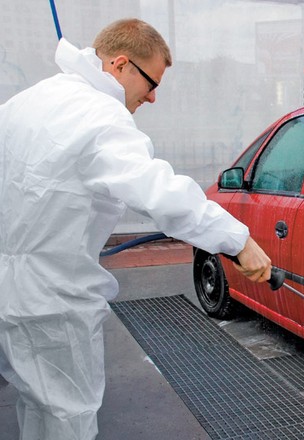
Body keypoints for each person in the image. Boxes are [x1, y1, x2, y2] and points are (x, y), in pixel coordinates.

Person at [0, 18, 271, 440]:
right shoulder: (100, 116)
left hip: (11, 291)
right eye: (151, 82)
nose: (154, 96)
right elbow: (158, 192)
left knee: (34, 401)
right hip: (52, 297)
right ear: (120, 64)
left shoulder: (28, 101)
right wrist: (237, 240)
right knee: (68, 417)